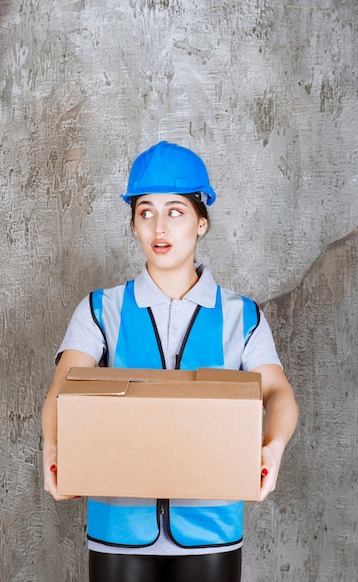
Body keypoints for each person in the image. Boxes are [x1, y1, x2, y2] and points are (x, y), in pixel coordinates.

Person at [42, 141, 299, 582]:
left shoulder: (242, 314)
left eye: (175, 211)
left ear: (201, 222)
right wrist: (53, 448)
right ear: (134, 224)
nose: (159, 226)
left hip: (212, 530)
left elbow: (278, 392)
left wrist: (271, 450)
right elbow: (63, 389)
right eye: (146, 212)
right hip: (118, 532)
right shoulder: (100, 310)